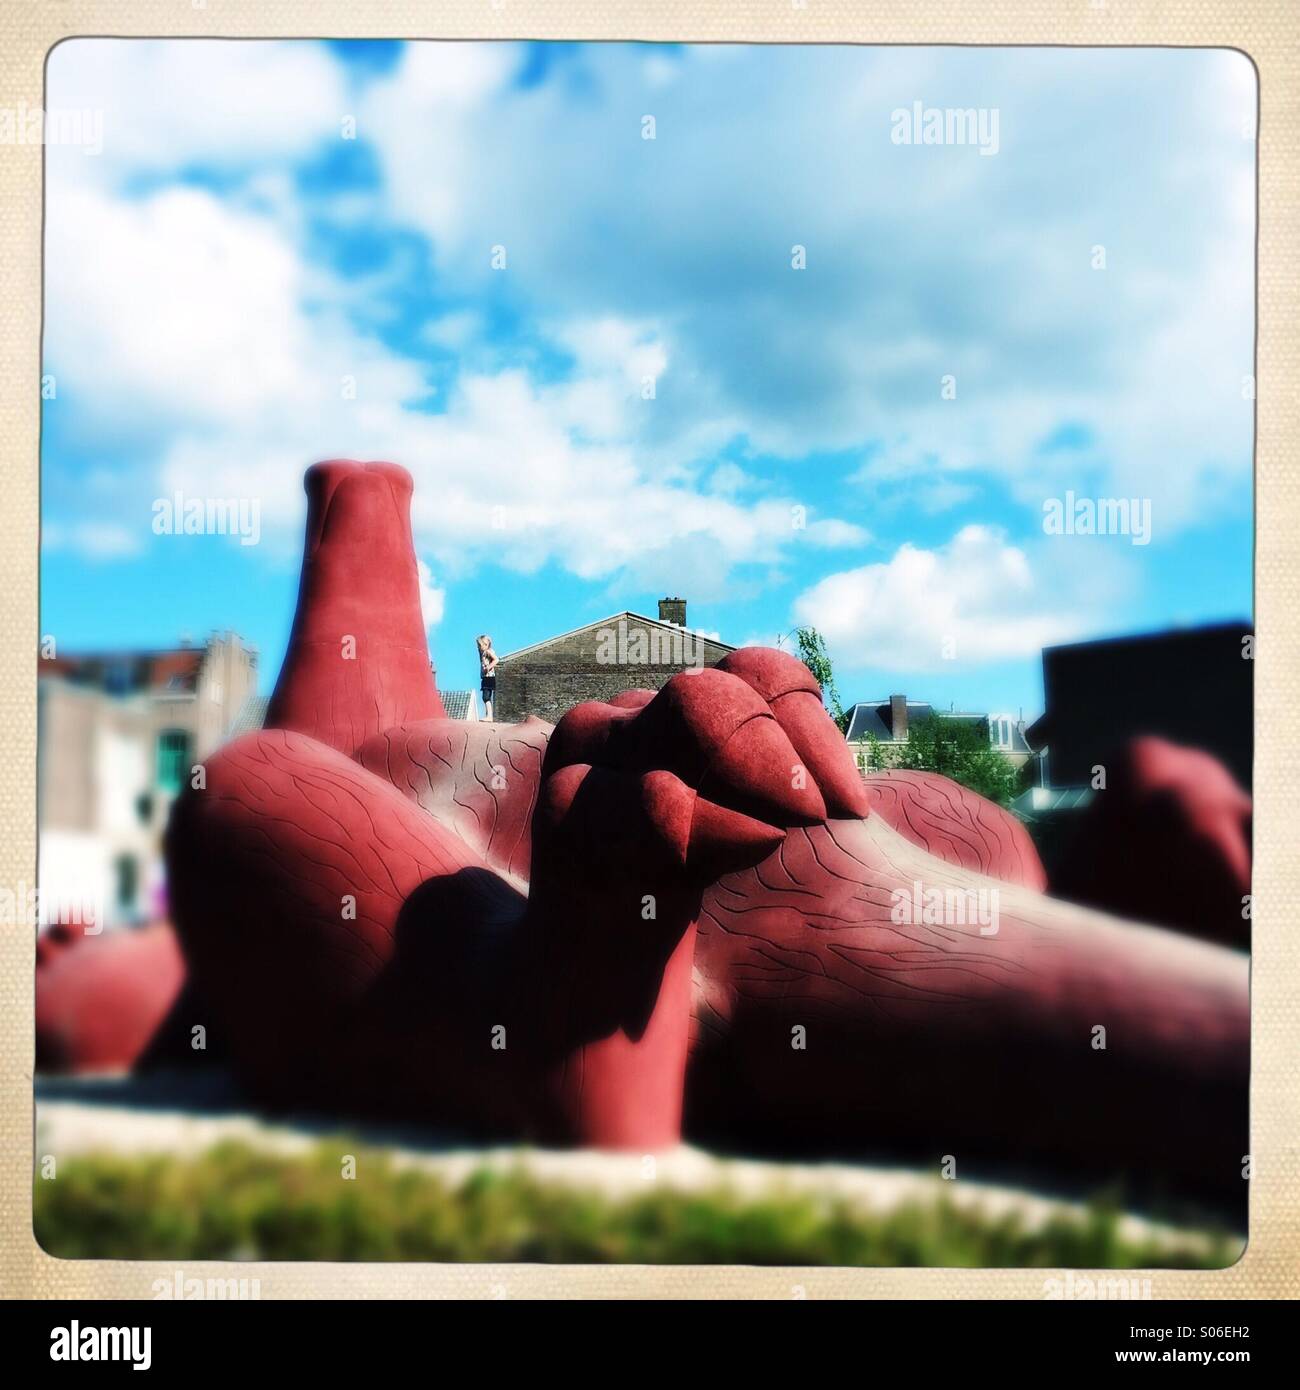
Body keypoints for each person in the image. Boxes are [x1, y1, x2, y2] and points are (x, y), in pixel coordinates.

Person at [476, 634, 498, 720]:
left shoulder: (488, 651)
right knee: (487, 697)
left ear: (485, 644)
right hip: (486, 677)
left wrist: (488, 667)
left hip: (489, 677)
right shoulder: (483, 653)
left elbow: (496, 659)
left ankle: (489, 716)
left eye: (479, 645)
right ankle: (488, 715)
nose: (478, 647)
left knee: (486, 697)